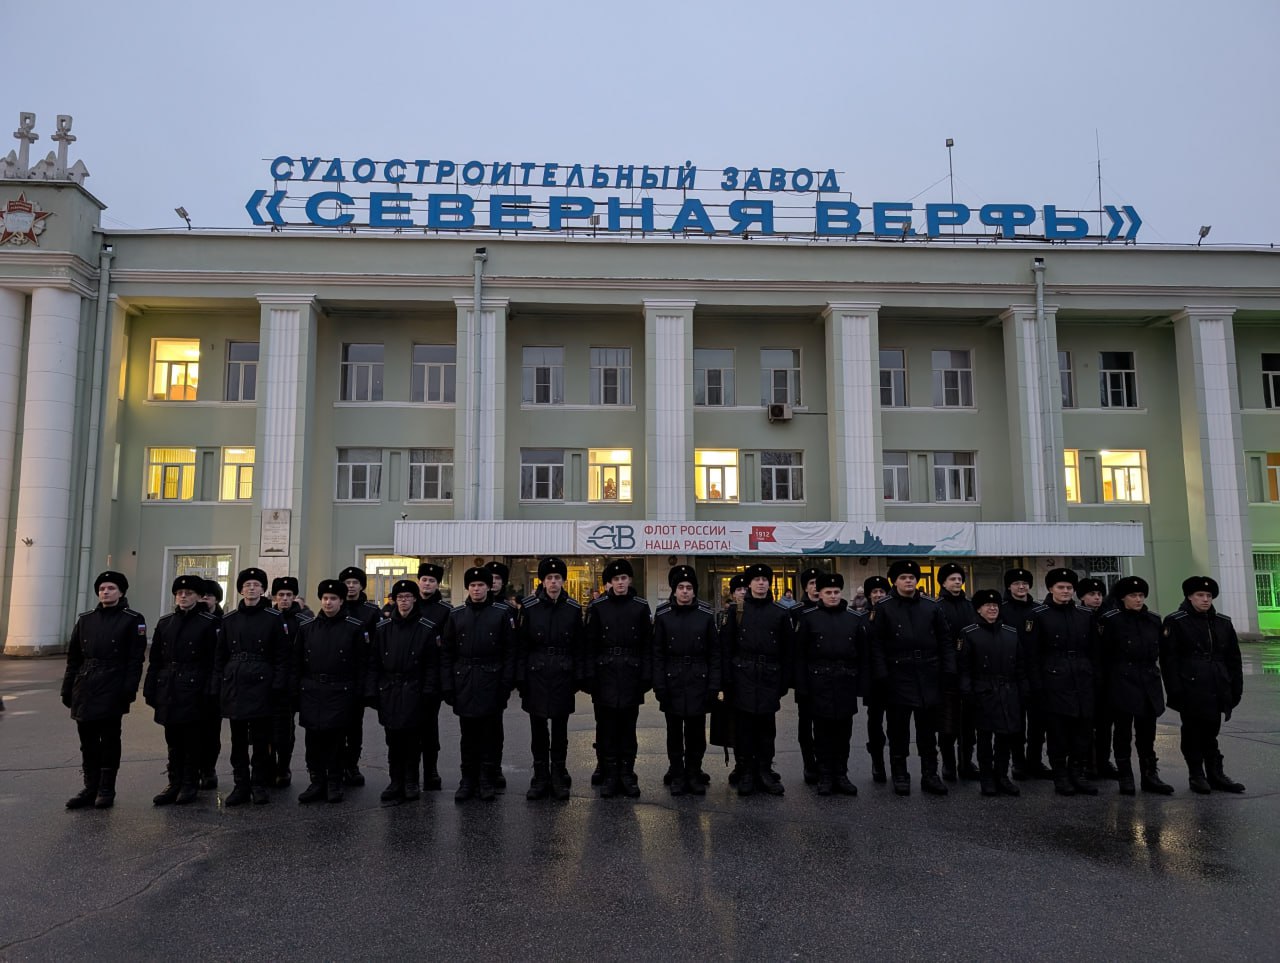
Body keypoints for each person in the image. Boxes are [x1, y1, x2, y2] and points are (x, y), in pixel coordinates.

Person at [61, 571, 147, 810]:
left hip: (113, 684)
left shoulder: (133, 619)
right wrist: (68, 687)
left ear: (121, 592)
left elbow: (135, 659)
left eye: (110, 588)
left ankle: (106, 789)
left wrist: (129, 689)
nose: (105, 592)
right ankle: (90, 788)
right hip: (85, 685)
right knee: (87, 740)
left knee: (109, 739)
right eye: (102, 589)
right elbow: (74, 658)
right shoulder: (86, 619)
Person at [869, 559, 954, 796]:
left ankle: (930, 774)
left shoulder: (932, 606)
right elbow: (876, 645)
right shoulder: (884, 607)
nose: (908, 581)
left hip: (928, 672)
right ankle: (900, 774)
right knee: (898, 730)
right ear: (894, 581)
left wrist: (948, 669)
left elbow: (945, 640)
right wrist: (882, 675)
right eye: (903, 577)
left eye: (912, 577)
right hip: (898, 674)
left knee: (928, 730)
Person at [1160, 576, 1245, 794]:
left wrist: (1236, 688)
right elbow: (1169, 660)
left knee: (1211, 731)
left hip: (1218, 685)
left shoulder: (1223, 622)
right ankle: (1196, 774)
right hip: (1191, 686)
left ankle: (1216, 774)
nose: (1205, 599)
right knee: (1193, 731)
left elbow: (1233, 659)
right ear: (1189, 596)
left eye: (1208, 596)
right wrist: (1175, 690)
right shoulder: (1176, 621)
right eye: (1200, 595)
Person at [143, 574, 221, 805]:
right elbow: (156, 658)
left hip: (195, 687)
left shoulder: (210, 623)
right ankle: (174, 782)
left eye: (188, 593)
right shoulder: (166, 622)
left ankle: (189, 783)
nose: (183, 597)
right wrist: (151, 687)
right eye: (179, 593)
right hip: (169, 686)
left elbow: (214, 661)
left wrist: (211, 690)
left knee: (193, 738)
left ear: (198, 597)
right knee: (173, 738)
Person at [216, 567, 289, 806]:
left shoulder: (273, 618)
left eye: (256, 584)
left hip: (262, 684)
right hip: (235, 684)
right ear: (240, 589)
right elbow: (220, 656)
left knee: (260, 739)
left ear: (263, 589)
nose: (251, 588)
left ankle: (259, 784)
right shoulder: (229, 620)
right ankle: (241, 785)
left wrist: (278, 685)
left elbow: (280, 655)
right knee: (237, 741)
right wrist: (220, 685)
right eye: (247, 584)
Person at [442, 567, 517, 802]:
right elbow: (447, 653)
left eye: (481, 585)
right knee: (468, 733)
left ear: (488, 587)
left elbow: (510, 652)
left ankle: (486, 779)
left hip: (491, 679)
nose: (476, 589)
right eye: (472, 585)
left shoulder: (502, 613)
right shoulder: (456, 615)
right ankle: (468, 780)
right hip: (464, 679)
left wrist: (505, 685)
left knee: (490, 732)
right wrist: (448, 686)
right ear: (467, 588)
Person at [516, 556, 586, 801]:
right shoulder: (529, 607)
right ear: (542, 581)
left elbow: (579, 646)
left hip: (562, 675)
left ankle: (558, 776)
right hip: (536, 674)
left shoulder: (574, 609)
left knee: (560, 730)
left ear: (563, 581)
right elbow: (521, 646)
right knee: (538, 731)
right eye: (549, 578)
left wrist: (578, 678)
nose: (554, 582)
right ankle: (540, 777)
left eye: (557, 578)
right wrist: (521, 680)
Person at [1024, 568, 1098, 796]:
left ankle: (1077, 773)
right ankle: (1061, 776)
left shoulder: (1085, 615)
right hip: (1054, 682)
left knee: (1082, 732)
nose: (1065, 591)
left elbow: (1095, 651)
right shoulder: (1038, 615)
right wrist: (1037, 686)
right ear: (1050, 589)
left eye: (1069, 588)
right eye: (1060, 587)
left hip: (1082, 681)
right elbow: (1032, 655)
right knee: (1058, 734)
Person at [295, 580, 370, 804]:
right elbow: (297, 662)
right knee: (313, 740)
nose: (328, 602)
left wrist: (359, 694)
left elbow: (362, 663)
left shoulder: (354, 627)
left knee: (335, 741)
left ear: (341, 601)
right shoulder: (307, 627)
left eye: (333, 598)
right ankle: (316, 781)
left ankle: (335, 782)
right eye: (325, 598)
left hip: (341, 691)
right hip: (312, 690)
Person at [722, 562, 793, 796]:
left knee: (766, 728)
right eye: (757, 579)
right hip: (743, 676)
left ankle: (764, 771)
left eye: (765, 579)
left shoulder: (780, 613)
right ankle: (747, 772)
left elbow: (787, 651)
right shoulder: (736, 611)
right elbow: (727, 648)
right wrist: (727, 680)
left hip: (769, 677)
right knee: (744, 728)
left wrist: (783, 682)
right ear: (749, 583)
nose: (761, 583)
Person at [1097, 576, 1172, 795]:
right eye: (1133, 596)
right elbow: (1102, 656)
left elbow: (1162, 652)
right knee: (1122, 732)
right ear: (1123, 598)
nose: (1138, 599)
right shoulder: (1110, 620)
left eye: (1141, 595)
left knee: (1147, 733)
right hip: (1122, 681)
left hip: (1148, 681)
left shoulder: (1153, 620)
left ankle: (1150, 775)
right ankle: (1126, 776)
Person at [584, 558, 653, 798]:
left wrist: (646, 676)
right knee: (606, 728)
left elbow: (647, 644)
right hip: (605, 676)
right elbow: (589, 645)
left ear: (630, 580)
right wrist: (590, 677)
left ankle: (627, 774)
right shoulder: (598, 607)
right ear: (609, 583)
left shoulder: (640, 607)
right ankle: (610, 774)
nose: (620, 583)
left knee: (628, 728)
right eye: (615, 579)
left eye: (624, 578)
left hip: (631, 675)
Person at [368, 580, 440, 803]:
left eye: (408, 597)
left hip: (414, 689)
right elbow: (374, 662)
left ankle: (411, 781)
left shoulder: (426, 628)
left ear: (414, 599)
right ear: (394, 600)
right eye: (400, 598)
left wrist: (428, 691)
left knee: (412, 739)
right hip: (389, 689)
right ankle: (395, 780)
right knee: (393, 739)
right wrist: (373, 691)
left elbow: (431, 664)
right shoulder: (383, 629)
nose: (404, 601)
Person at [652, 564, 721, 797]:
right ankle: (677, 773)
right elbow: (658, 653)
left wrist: (713, 686)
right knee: (674, 732)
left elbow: (714, 654)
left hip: (697, 681)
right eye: (680, 587)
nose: (684, 591)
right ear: (674, 590)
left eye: (689, 587)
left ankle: (694, 772)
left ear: (694, 591)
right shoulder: (662, 615)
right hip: (672, 680)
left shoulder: (705, 615)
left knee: (696, 731)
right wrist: (659, 685)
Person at [794, 572, 862, 796]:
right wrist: (802, 687)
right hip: (819, 683)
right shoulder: (809, 618)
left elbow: (861, 654)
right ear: (819, 594)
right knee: (822, 733)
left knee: (844, 733)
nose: (832, 596)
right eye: (827, 592)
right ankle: (825, 775)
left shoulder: (853, 618)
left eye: (836, 592)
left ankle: (841, 774)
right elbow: (800, 655)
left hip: (844, 682)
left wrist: (860, 684)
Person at [958, 589, 1027, 797]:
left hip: (1008, 691)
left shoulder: (1011, 632)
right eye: (988, 606)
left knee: (1005, 737)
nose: (992, 609)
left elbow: (1021, 665)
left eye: (995, 606)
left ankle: (1002, 776)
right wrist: (967, 692)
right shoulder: (969, 633)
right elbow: (964, 668)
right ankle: (987, 777)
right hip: (983, 692)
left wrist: (1024, 690)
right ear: (979, 609)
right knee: (985, 738)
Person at [1001, 567, 1046, 781]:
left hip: (1036, 672)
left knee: (1038, 722)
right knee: (1015, 722)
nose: (1021, 587)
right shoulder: (1001, 610)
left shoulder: (1039, 610)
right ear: (1009, 586)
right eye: (1017, 583)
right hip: (1010, 674)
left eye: (1025, 583)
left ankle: (1035, 761)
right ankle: (1018, 763)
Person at [934, 561, 978, 783]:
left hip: (969, 670)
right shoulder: (937, 606)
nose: (957, 582)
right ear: (943, 582)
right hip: (946, 672)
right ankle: (949, 764)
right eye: (952, 579)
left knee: (969, 723)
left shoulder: (970, 606)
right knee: (948, 722)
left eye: (960, 579)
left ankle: (966, 762)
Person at [338, 565, 381, 787]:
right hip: (336, 676)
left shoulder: (371, 612)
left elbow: (377, 646)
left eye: (355, 582)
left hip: (358, 676)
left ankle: (352, 766)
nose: (351, 586)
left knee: (355, 725)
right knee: (335, 724)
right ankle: (335, 766)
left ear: (362, 585)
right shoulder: (335, 605)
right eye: (347, 582)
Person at [414, 561, 451, 791]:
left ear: (438, 584)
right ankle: (409, 772)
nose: (427, 584)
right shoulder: (406, 603)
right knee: (407, 727)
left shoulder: (445, 612)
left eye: (432, 581)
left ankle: (431, 771)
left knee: (429, 727)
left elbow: (446, 648)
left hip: (431, 678)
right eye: (424, 579)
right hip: (408, 677)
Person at [1077, 576, 1118, 781]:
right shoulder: (1077, 617)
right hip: (1084, 679)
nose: (1096, 598)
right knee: (1085, 725)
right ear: (1082, 597)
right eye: (1091, 594)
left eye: (1100, 594)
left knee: (1104, 725)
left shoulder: (1109, 618)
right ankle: (1086, 763)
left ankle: (1103, 761)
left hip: (1107, 679)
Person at [269, 576, 306, 788]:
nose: (284, 599)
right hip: (267, 683)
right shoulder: (268, 618)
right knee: (264, 729)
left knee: (285, 730)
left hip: (290, 684)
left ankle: (283, 767)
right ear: (274, 597)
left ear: (294, 597)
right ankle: (268, 766)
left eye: (288, 595)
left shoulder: (301, 622)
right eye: (281, 595)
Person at [791, 567, 822, 785]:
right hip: (805, 676)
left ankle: (825, 762)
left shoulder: (832, 608)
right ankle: (809, 763)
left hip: (828, 677)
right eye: (811, 583)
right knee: (806, 722)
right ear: (805, 587)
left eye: (818, 583)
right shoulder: (796, 612)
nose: (816, 587)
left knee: (826, 723)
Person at [861, 574, 891, 783]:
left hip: (896, 676)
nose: (879, 595)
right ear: (869, 596)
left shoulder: (894, 614)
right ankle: (877, 761)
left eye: (882, 591)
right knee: (875, 721)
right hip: (873, 679)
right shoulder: (862, 619)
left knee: (897, 722)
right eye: (875, 592)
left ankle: (897, 764)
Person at [197, 578, 225, 789]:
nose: (205, 599)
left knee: (211, 731)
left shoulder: (224, 622)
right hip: (190, 683)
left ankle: (208, 769)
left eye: (209, 596)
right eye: (203, 595)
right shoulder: (191, 619)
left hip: (215, 683)